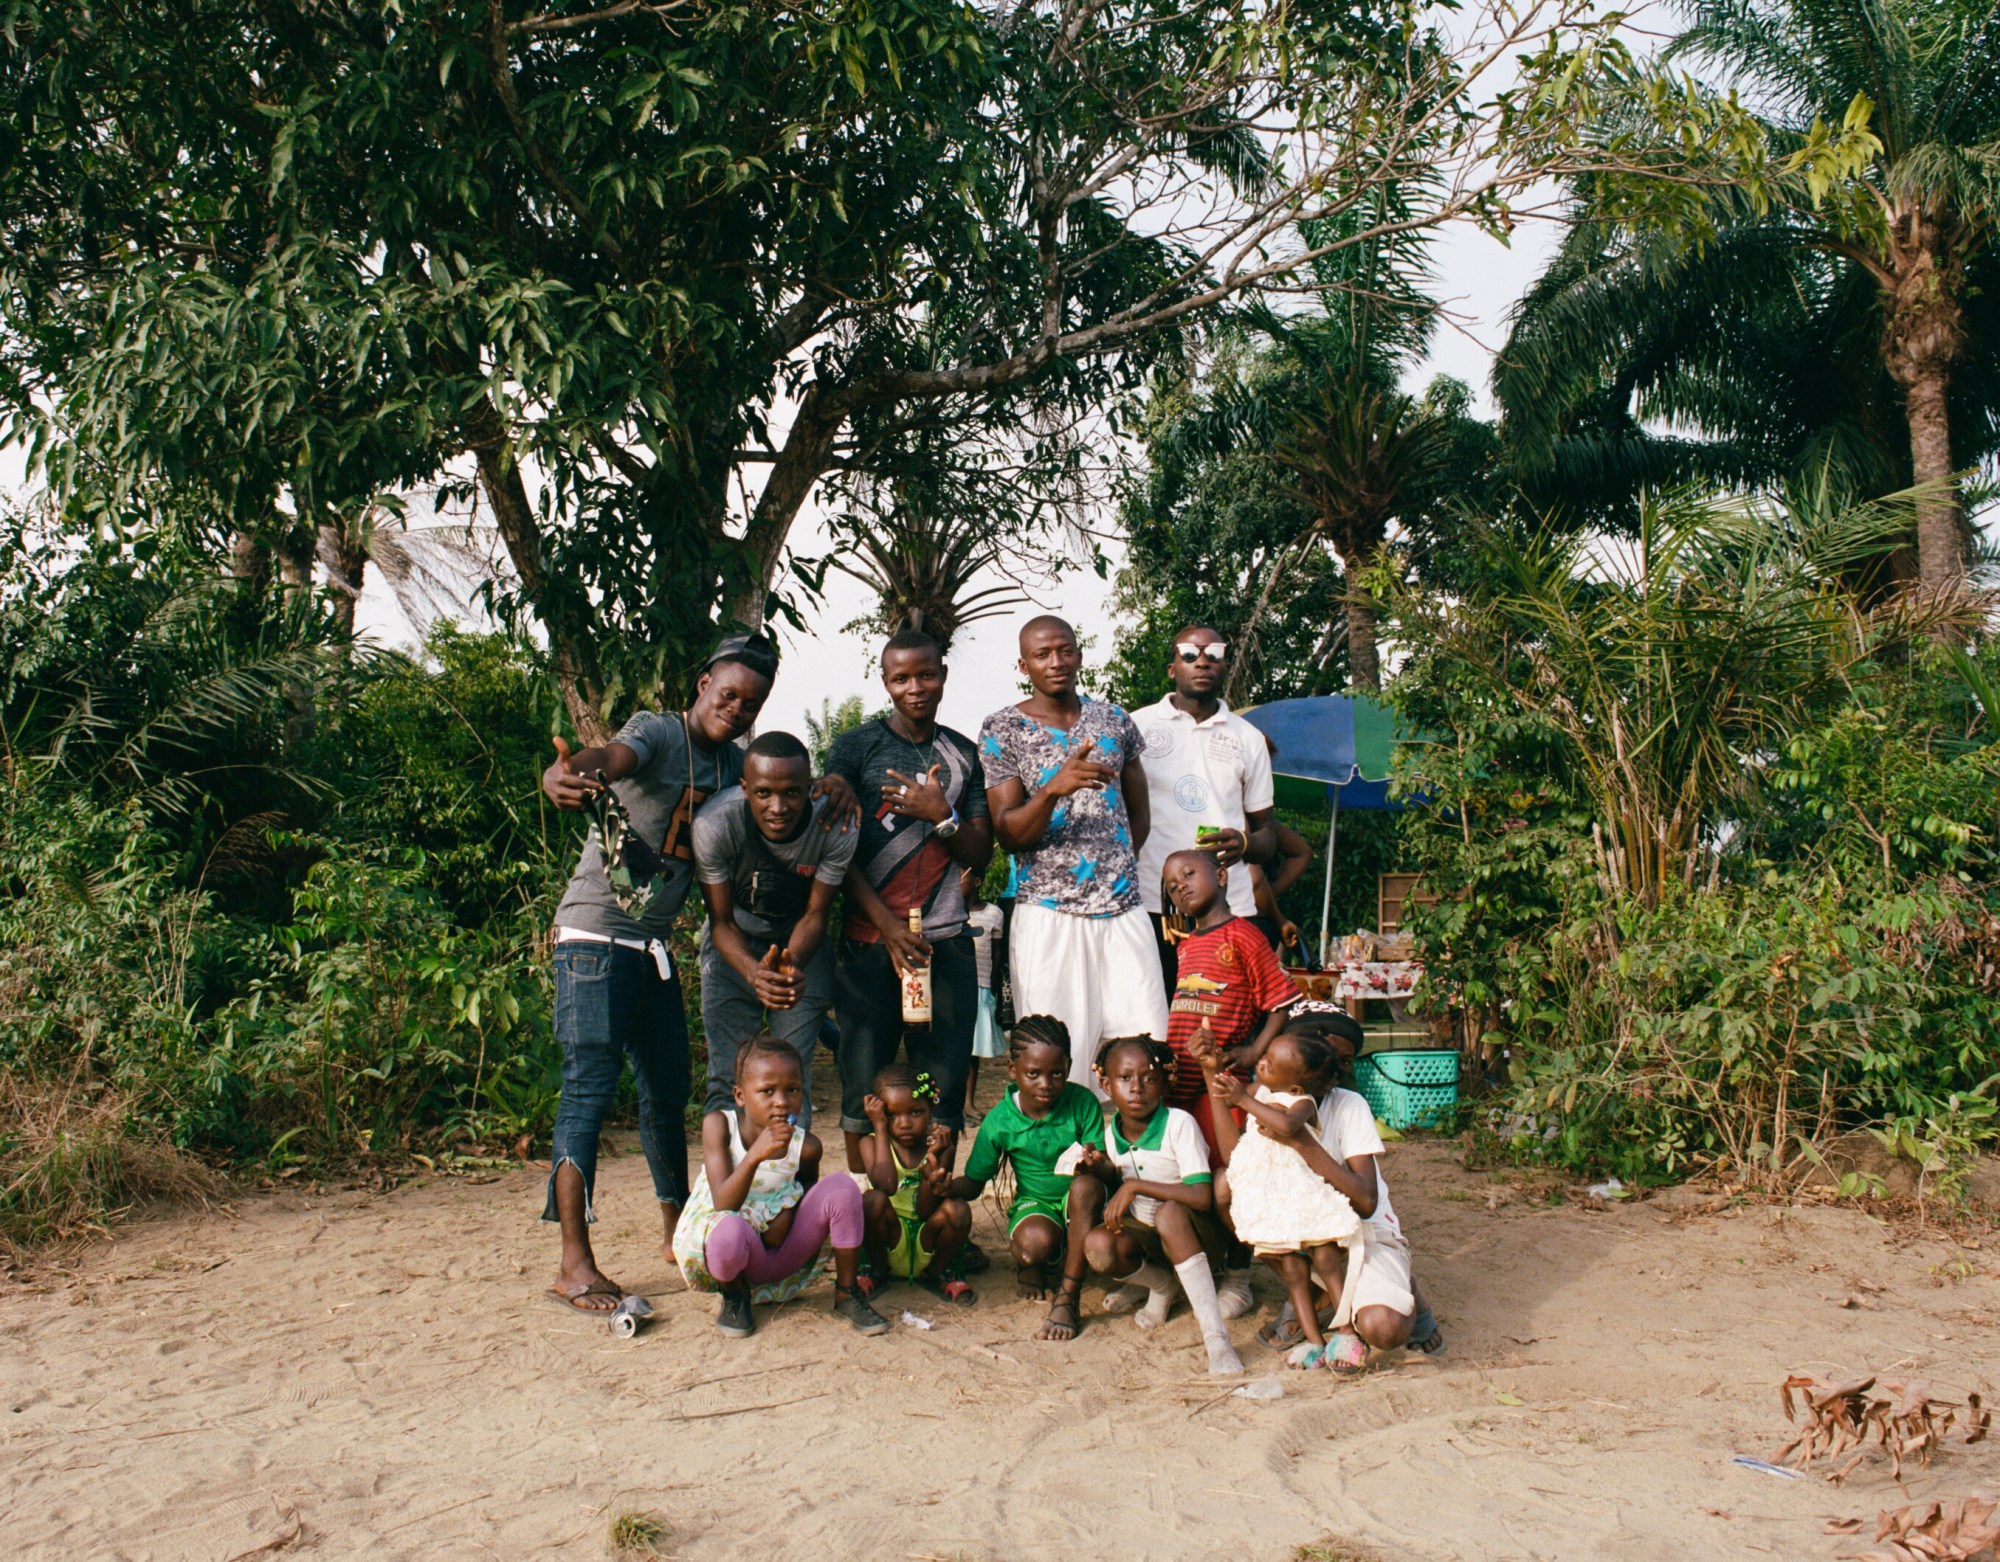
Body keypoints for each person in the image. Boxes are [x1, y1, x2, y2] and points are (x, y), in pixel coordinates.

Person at [537, 631, 780, 1313]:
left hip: (653, 948)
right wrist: (573, 770)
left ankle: (678, 1232)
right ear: (703, 683)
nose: (734, 709)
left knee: (666, 1090)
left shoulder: (735, 769)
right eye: (727, 694)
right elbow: (611, 756)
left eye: (749, 703)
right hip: (594, 937)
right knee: (588, 1089)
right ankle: (574, 1265)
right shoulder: (658, 732)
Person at [825, 628, 994, 1173]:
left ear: (943, 676)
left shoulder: (962, 753)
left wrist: (939, 813)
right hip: (869, 943)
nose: (915, 687)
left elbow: (981, 851)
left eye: (926, 674)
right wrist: (887, 926)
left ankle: (933, 1206)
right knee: (864, 1083)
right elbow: (837, 854)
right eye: (901, 678)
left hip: (944, 943)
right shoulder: (855, 748)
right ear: (885, 682)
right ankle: (867, 1216)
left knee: (938, 1082)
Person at [979, 616, 1166, 1090]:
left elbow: (1137, 816)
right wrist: (1051, 791)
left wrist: (1113, 870)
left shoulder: (1115, 720)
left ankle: (1140, 1160)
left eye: (1065, 650)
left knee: (1143, 1045)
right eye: (1042, 654)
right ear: (1023, 664)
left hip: (1123, 910)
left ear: (1080, 655)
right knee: (1057, 1055)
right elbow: (1008, 834)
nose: (1056, 662)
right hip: (1048, 914)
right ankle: (1068, 1161)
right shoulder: (1003, 728)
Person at [1250, 1005, 1444, 1368]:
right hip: (1306, 1230)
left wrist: (1301, 1143)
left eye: (1345, 1060)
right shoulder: (1269, 1097)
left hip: (1364, 1230)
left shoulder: (1350, 1105)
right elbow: (1237, 1163)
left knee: (1382, 1327)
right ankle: (1315, 1297)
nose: (1335, 1070)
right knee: (1231, 1196)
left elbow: (1366, 1201)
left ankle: (1408, 1295)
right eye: (1324, 1056)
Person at [671, 1035, 890, 1338]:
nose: (781, 1101)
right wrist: (755, 1156)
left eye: (793, 1090)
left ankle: (847, 1293)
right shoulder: (719, 1126)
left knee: (842, 1188)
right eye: (767, 1091)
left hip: (779, 1256)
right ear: (739, 1096)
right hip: (732, 1256)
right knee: (728, 1231)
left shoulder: (806, 1146)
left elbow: (809, 1200)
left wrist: (786, 1216)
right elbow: (723, 1203)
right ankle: (735, 1298)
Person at [693, 731, 857, 1120]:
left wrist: (791, 965)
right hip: (733, 943)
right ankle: (727, 1179)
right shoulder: (715, 823)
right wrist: (754, 973)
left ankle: (789, 1180)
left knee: (791, 1073)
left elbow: (816, 914)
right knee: (728, 1074)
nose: (779, 807)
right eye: (764, 793)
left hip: (802, 945)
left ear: (811, 786)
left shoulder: (837, 824)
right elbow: (720, 921)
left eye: (793, 793)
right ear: (745, 788)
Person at [1077, 1036, 1242, 1375]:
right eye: (1125, 1079)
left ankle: (1216, 1339)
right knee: (1097, 1244)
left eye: (1149, 1078)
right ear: (1106, 1084)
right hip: (1150, 1237)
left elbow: (1201, 1196)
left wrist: (1136, 1185)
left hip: (1197, 1236)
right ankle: (1162, 1285)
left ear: (1165, 1083)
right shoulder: (1113, 1132)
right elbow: (1122, 1173)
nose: (1137, 1088)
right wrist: (1101, 1167)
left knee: (1168, 1212)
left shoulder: (1178, 1124)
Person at [1202, 1029, 1362, 1369]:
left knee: (1327, 1262)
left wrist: (1245, 1101)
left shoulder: (1300, 1102)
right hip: (1276, 1201)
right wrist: (1216, 1071)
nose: (1261, 1062)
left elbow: (1288, 1126)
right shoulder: (1260, 1091)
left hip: (1304, 1195)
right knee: (1293, 1273)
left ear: (1295, 1087)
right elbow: (1228, 1095)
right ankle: (1314, 1343)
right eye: (1265, 1056)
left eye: (1271, 1063)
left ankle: (1347, 1333)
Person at [1132, 626, 1277, 992]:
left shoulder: (1248, 738)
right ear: (1172, 667)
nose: (1202, 662)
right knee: (1156, 1023)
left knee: (1225, 1020)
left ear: (1225, 667)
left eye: (1213, 654)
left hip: (1228, 909)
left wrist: (1244, 843)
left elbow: (1268, 837)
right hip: (1150, 902)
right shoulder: (1136, 726)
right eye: (1190, 654)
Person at [946, 1015, 1107, 1342]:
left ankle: (1067, 1294)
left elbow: (1105, 1169)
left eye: (1057, 1074)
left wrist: (1094, 1162)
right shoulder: (1000, 1120)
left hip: (1083, 1205)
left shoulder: (1082, 1103)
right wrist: (941, 1188)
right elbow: (976, 1183)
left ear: (1069, 1066)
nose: (1045, 1084)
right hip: (1037, 1205)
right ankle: (1033, 1264)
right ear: (1011, 1069)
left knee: (1085, 1186)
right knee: (1034, 1245)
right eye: (1033, 1074)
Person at [1161, 848, 1299, 1158]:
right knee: (1185, 1156)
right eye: (1171, 886)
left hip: (1221, 1075)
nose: (1179, 886)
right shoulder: (1186, 945)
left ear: (1222, 876)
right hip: (1180, 1073)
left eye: (1188, 874)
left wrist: (1254, 1050)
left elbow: (1281, 1003)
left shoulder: (1244, 936)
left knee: (1224, 1157)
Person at [856, 1063, 977, 1305]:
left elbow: (924, 1210)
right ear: (879, 1114)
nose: (904, 1123)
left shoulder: (942, 1145)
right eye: (891, 1115)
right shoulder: (870, 1144)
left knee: (958, 1209)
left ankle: (937, 1273)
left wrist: (932, 1165)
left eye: (915, 1112)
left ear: (931, 1108)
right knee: (872, 1200)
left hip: (927, 1239)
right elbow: (887, 1185)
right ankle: (877, 1270)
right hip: (889, 1238)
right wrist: (879, 1127)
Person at [961, 865, 1007, 1121]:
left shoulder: (993, 914)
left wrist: (993, 990)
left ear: (977, 881)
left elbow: (996, 955)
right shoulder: (950, 913)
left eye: (963, 876)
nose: (957, 881)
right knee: (954, 1049)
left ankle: (968, 1103)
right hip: (956, 986)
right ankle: (952, 1102)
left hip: (981, 988)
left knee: (972, 1051)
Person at [1247, 821, 1314, 958]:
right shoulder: (1259, 822)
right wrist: (1278, 918)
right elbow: (1302, 853)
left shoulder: (1233, 818)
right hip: (1260, 921)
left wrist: (1266, 895)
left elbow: (1256, 882)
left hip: (1232, 927)